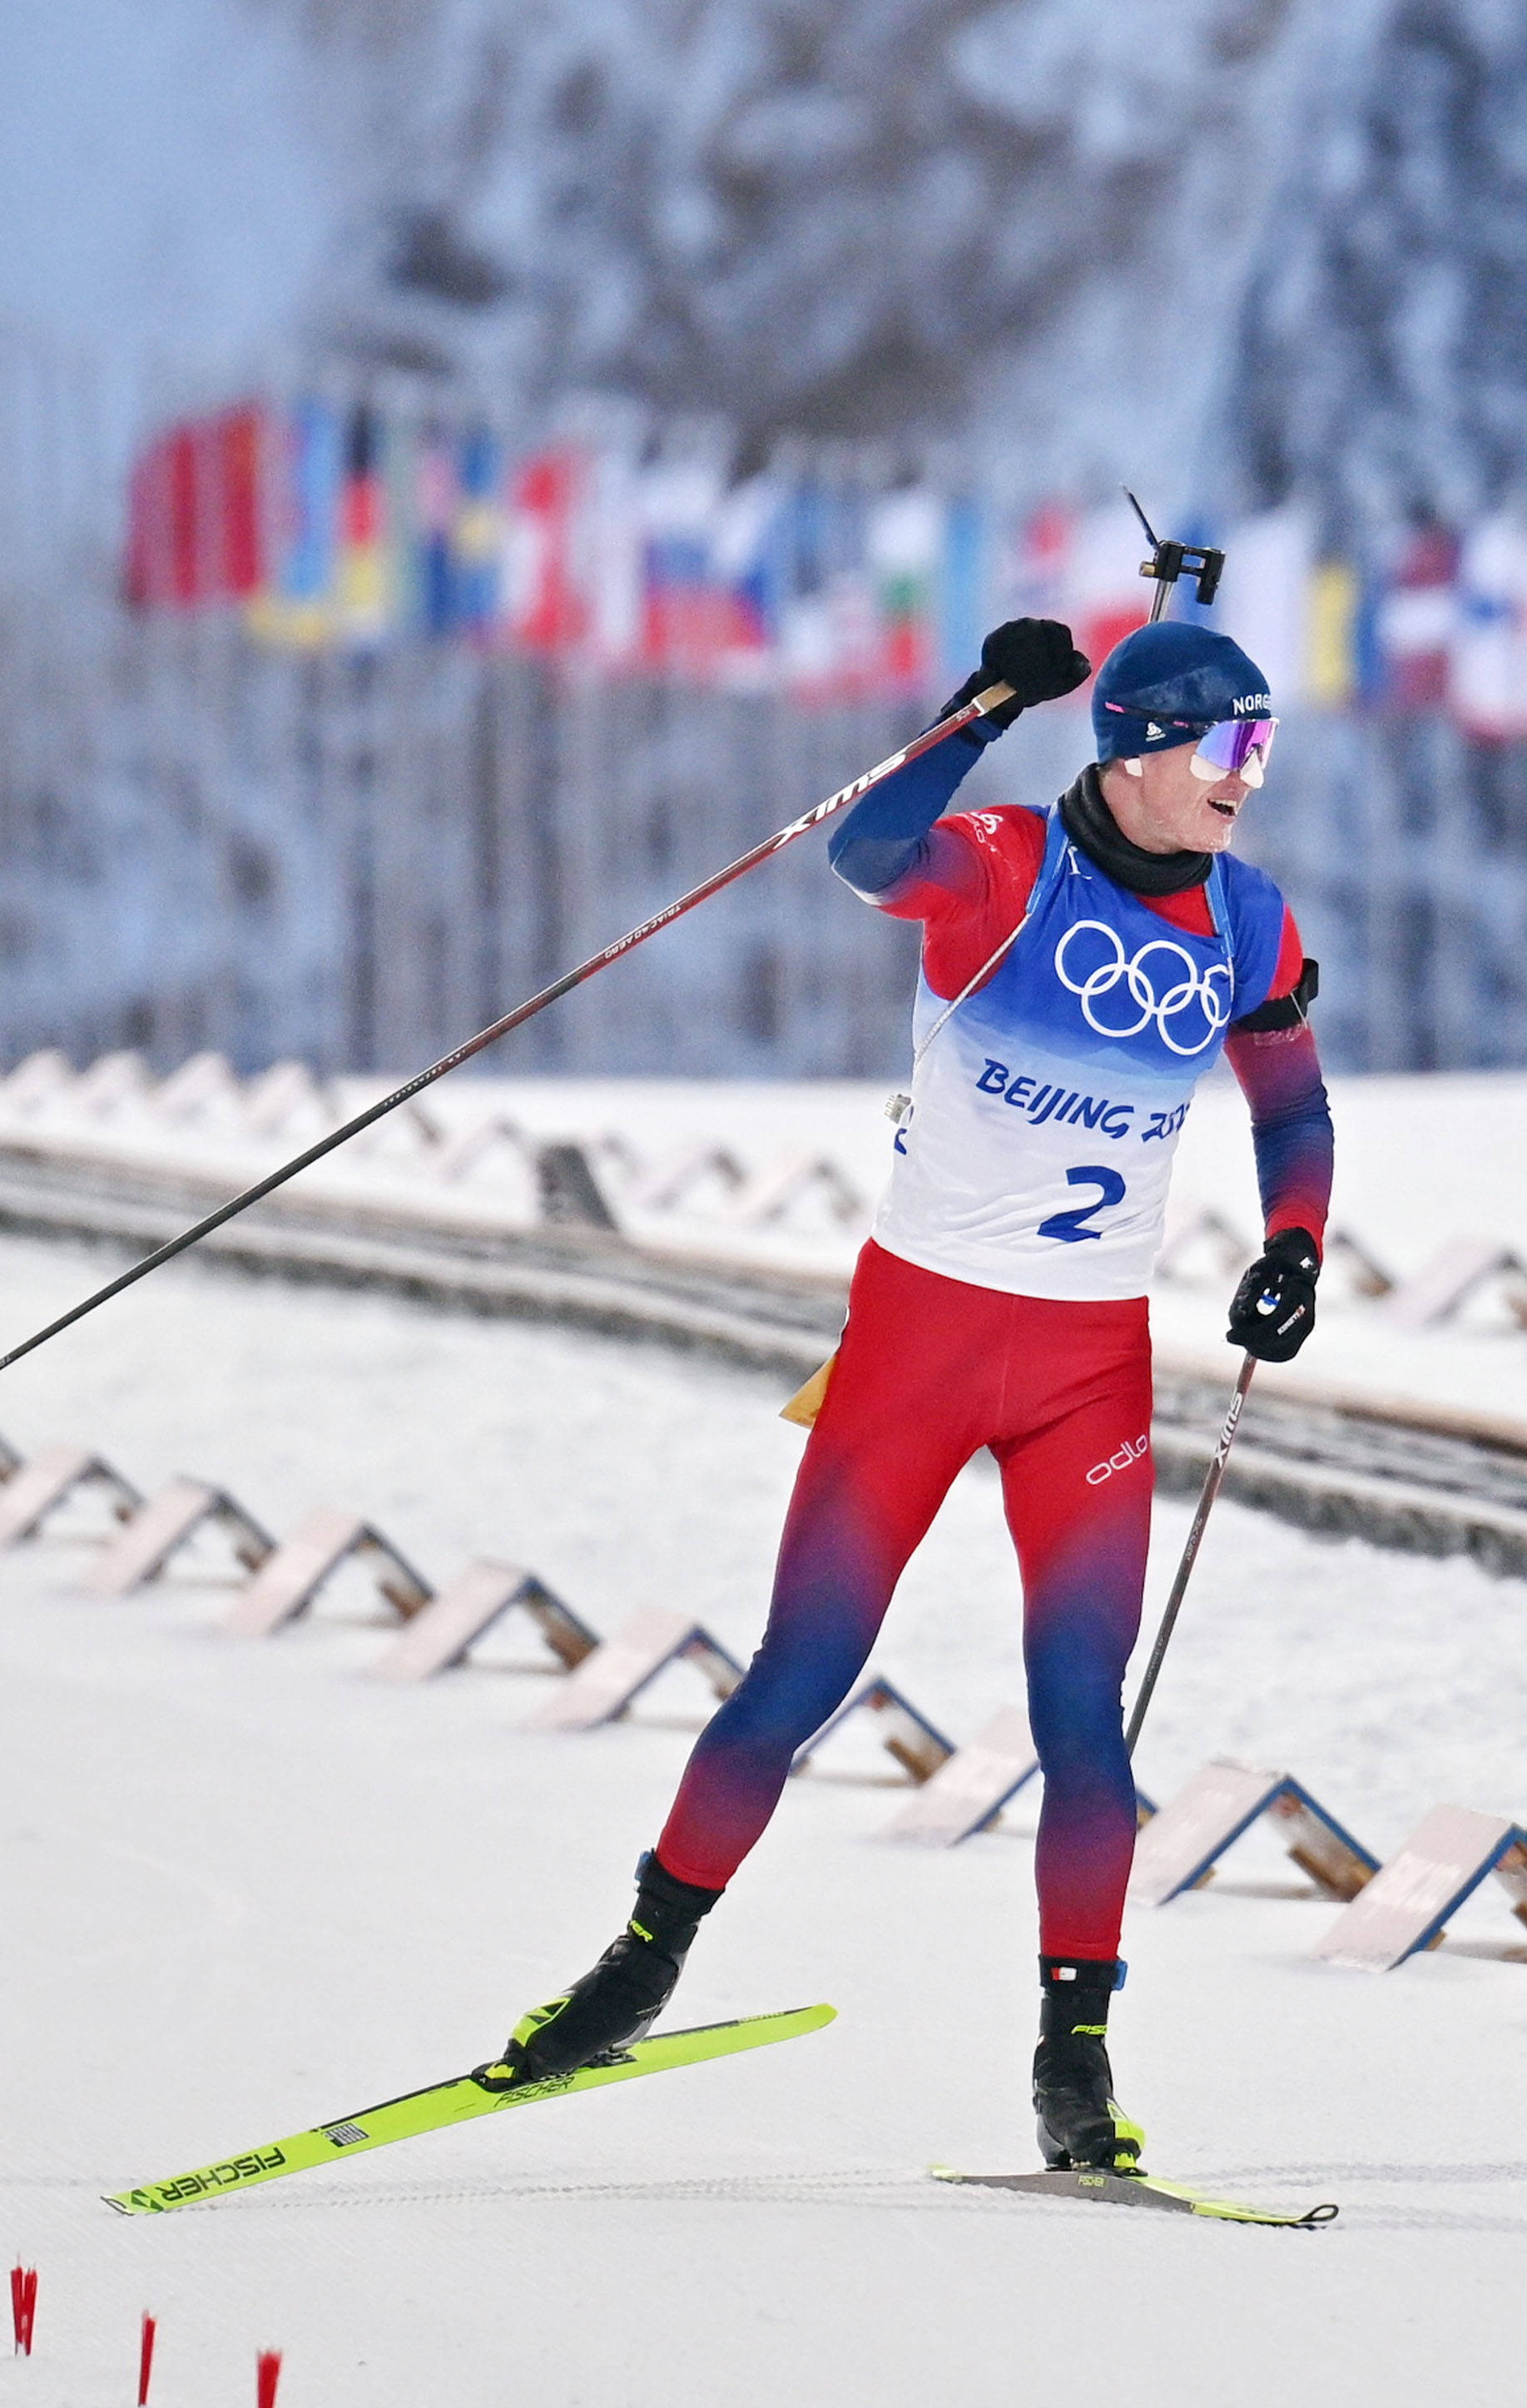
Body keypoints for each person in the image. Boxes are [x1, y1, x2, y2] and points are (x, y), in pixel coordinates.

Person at [476, 611, 1336, 2173]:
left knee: (1085, 1724)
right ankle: (641, 1961)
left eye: (1262, 747)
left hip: (1090, 1370)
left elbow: (1291, 1103)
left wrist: (1294, 1243)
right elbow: (867, 853)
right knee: (797, 1676)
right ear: (1138, 747)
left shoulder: (1248, 919)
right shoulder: (1003, 866)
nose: (1245, 781)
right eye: (1227, 747)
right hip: (919, 1346)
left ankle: (1073, 2061)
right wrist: (984, 705)